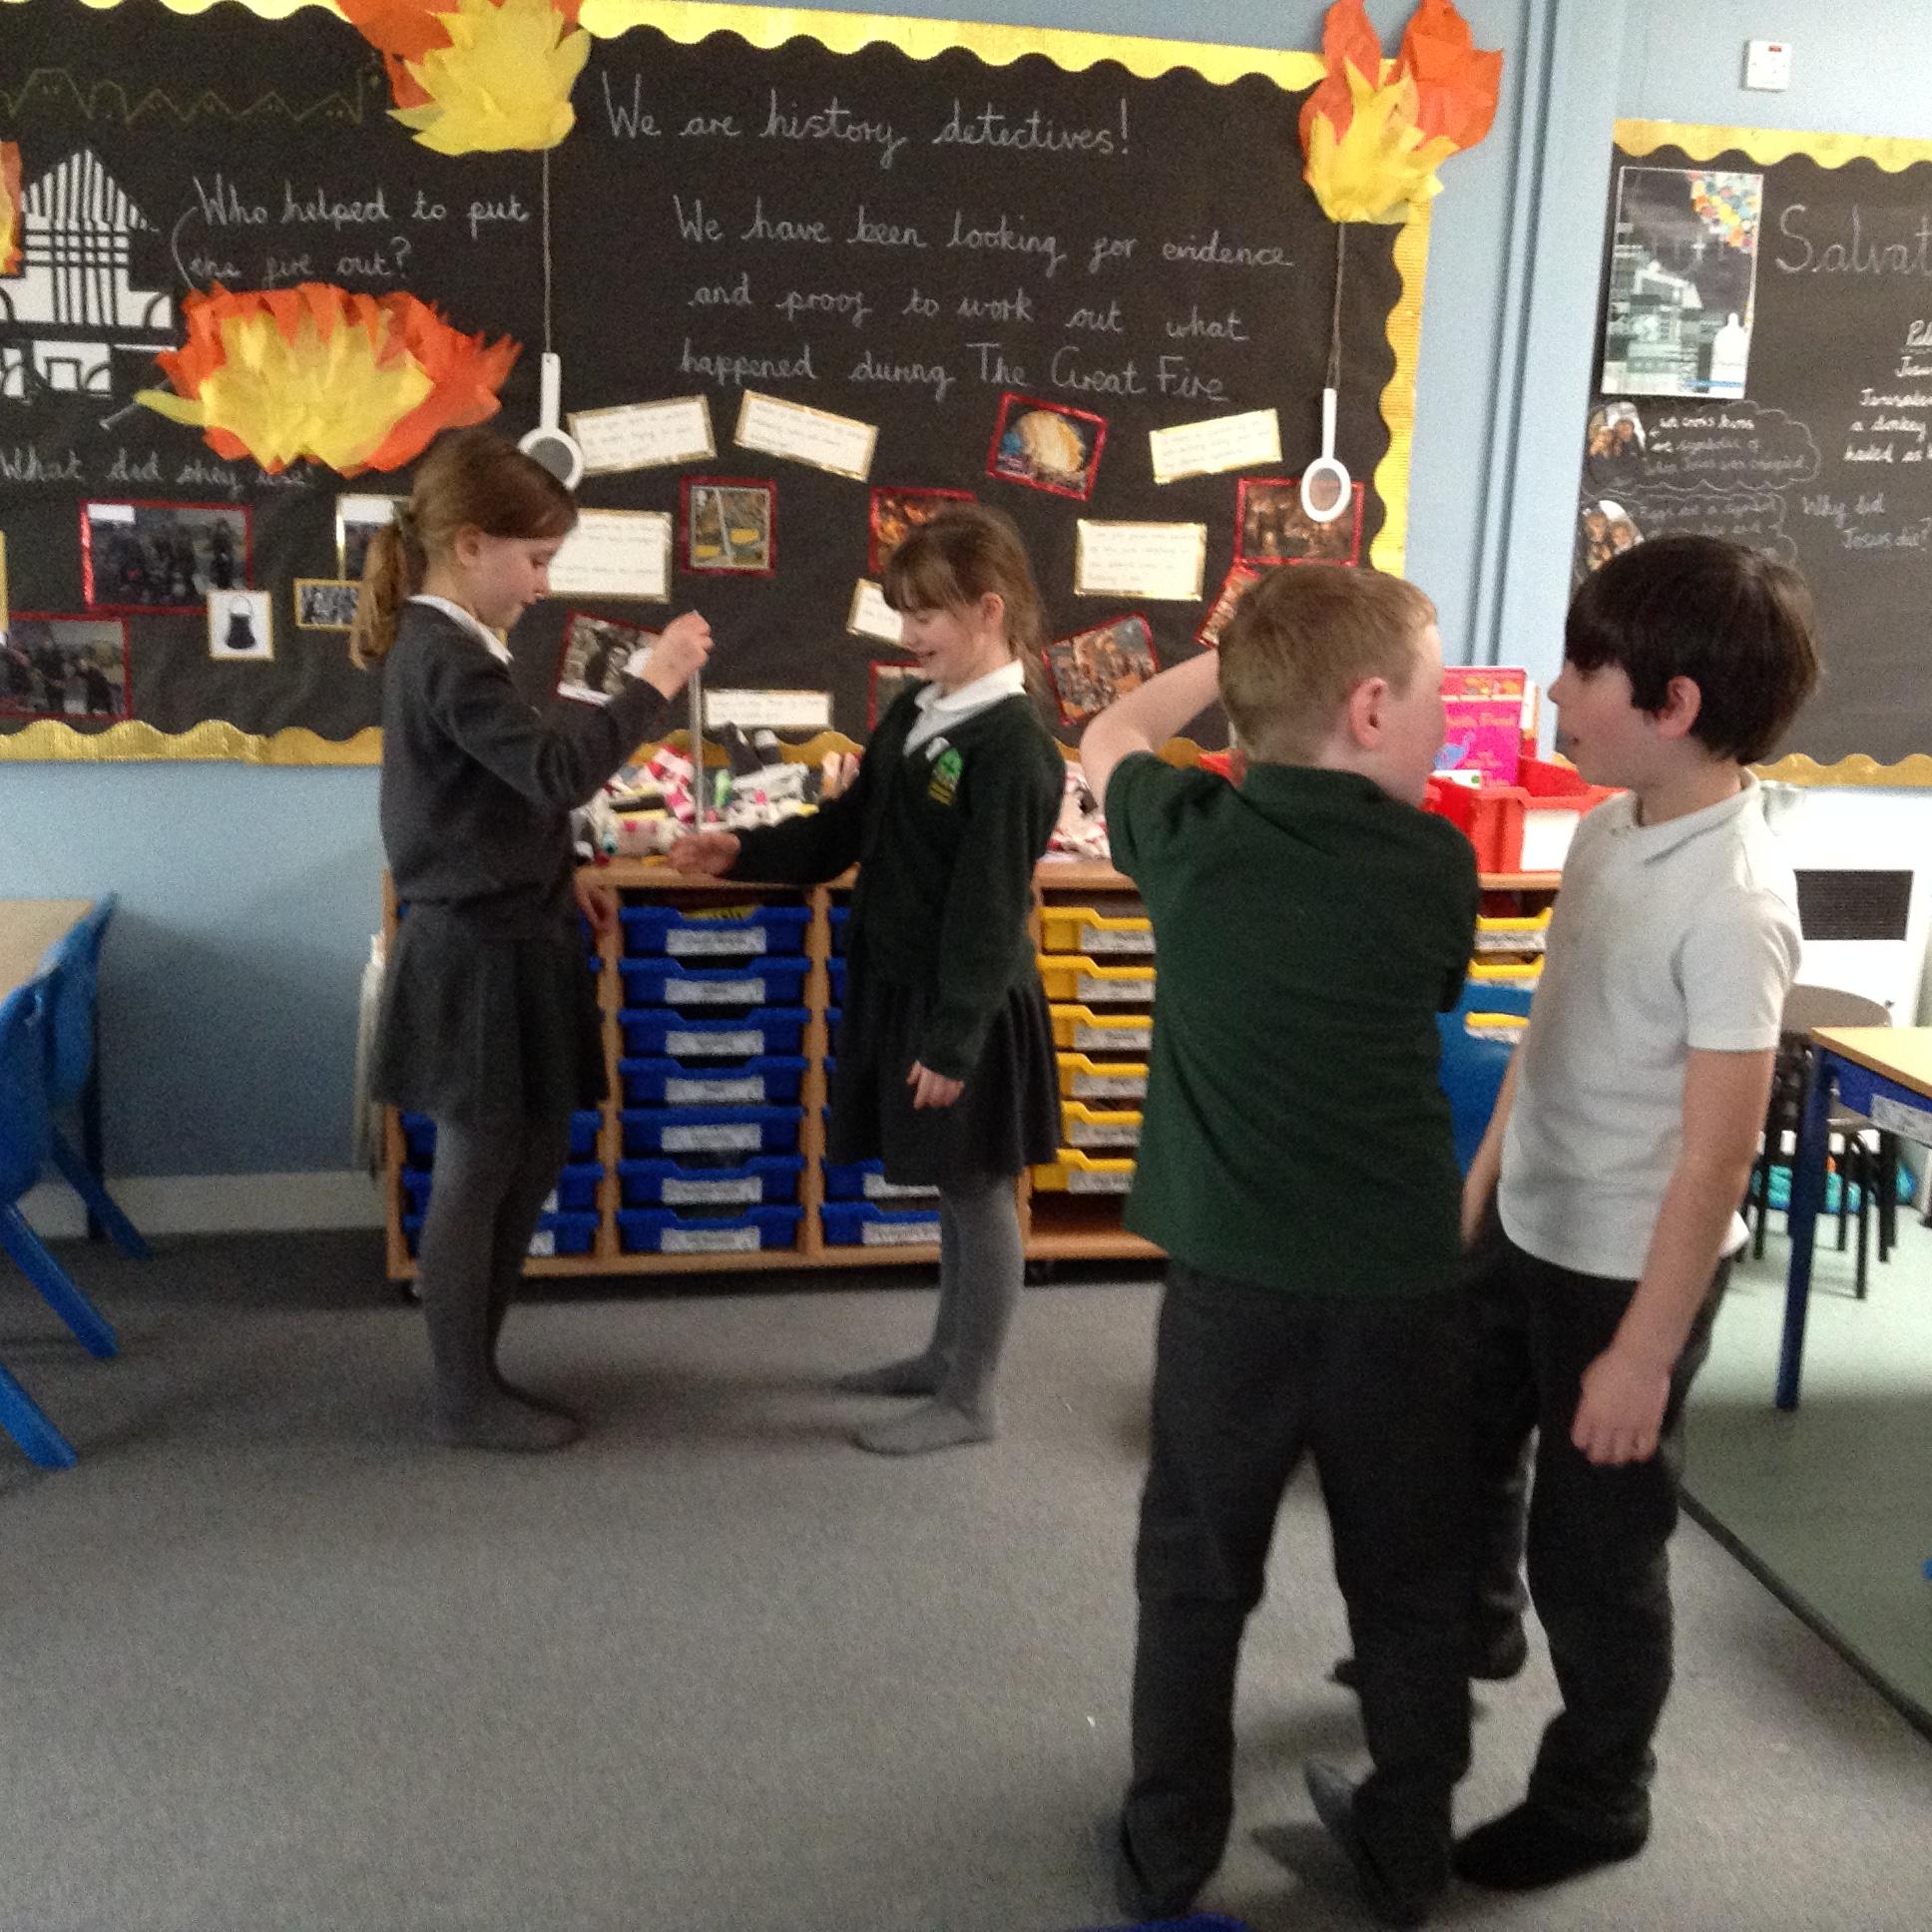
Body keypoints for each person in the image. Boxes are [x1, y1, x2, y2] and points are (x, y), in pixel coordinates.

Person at [1080, 566, 1480, 1928]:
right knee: (1411, 1581)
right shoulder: (1437, 863)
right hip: (1402, 1294)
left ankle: (1168, 1845)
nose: (1445, 723)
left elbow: (1108, 732)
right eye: (1434, 698)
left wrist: (1225, 663)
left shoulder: (1187, 830)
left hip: (1231, 1296)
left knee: (1194, 1574)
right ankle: (1408, 1850)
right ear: (1370, 710)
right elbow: (1435, 985)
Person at [1450, 534, 1819, 1891]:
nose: (1554, 693)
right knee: (1458, 1451)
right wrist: (1486, 1176)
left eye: (1581, 670)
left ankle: (1600, 1792)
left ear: (1672, 706)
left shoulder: (1735, 904)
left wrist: (1641, 1356)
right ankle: (1475, 1629)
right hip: (1529, 1216)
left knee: (1594, 1555)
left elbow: (1718, 1159)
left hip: (1627, 1276)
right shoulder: (1613, 826)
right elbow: (1553, 1026)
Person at [670, 504, 1063, 1457]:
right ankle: (943, 1357)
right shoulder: (917, 712)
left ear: (989, 610)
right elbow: (846, 831)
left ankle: (972, 1399)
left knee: (979, 1189)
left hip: (966, 1000)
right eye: (902, 614)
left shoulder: (1013, 744)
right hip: (903, 983)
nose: (908, 634)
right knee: (950, 1184)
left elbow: (990, 909)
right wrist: (743, 851)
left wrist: (954, 1040)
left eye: (926, 615)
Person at [355, 427, 712, 1453]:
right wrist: (651, 680)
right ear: (471, 545)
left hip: (517, 929)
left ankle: (477, 1365)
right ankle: (461, 1395)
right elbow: (554, 773)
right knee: (480, 1164)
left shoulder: (466, 646)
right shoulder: (445, 654)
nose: (545, 584)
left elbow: (496, 803)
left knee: (536, 1146)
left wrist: (565, 877)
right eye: (537, 559)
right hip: (476, 949)